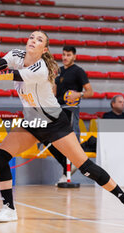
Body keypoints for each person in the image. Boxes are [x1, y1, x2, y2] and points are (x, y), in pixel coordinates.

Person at [0, 31, 124, 222]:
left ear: (44, 49)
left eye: (39, 40)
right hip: (32, 123)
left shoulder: (41, 68)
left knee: (86, 167)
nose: (33, 40)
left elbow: (3, 75)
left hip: (55, 124)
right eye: (31, 37)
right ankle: (9, 208)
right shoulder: (16, 55)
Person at [47, 45, 93, 185]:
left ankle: (67, 172)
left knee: (69, 140)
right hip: (57, 108)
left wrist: (78, 94)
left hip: (70, 109)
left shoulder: (78, 72)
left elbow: (90, 92)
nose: (65, 57)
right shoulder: (59, 71)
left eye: (68, 55)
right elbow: (54, 92)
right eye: (63, 55)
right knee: (50, 138)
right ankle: (67, 166)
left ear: (74, 56)